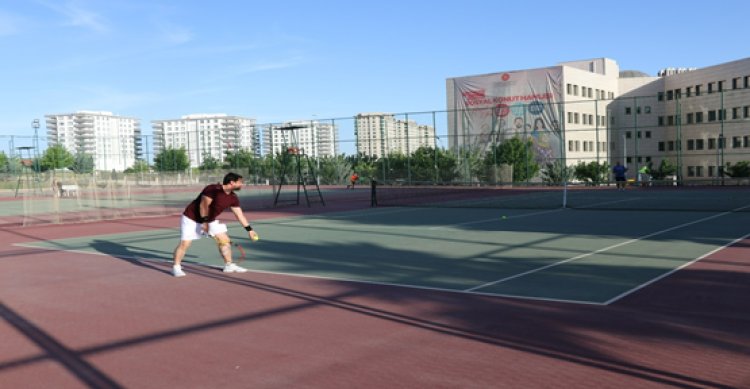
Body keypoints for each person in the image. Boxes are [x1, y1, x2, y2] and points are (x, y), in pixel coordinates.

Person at [171, 172, 258, 277]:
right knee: (185, 244)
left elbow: (239, 215)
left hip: (210, 220)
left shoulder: (233, 198)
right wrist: (205, 222)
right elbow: (203, 206)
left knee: (224, 240)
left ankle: (229, 265)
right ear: (232, 182)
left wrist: (249, 230)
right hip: (191, 218)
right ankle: (176, 266)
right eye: (240, 182)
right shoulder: (213, 189)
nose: (242, 184)